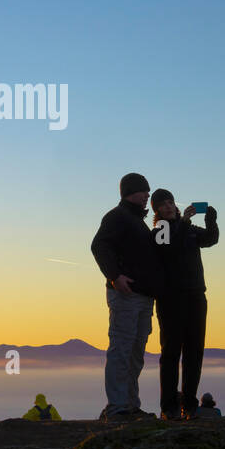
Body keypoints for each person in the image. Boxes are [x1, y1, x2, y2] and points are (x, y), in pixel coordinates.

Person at [91, 172, 165, 421]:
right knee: (122, 349)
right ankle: (117, 407)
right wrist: (115, 276)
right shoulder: (117, 216)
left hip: (142, 297)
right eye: (145, 191)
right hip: (126, 295)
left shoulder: (136, 221)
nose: (148, 196)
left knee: (135, 354)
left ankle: (130, 404)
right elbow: (99, 245)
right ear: (132, 191)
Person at [150, 190, 219, 420]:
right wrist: (184, 221)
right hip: (170, 299)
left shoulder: (187, 228)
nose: (168, 207)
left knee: (194, 352)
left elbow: (210, 239)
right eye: (162, 204)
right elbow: (167, 249)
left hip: (196, 296)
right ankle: (168, 407)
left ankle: (189, 405)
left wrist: (211, 219)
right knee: (170, 352)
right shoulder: (161, 230)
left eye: (170, 202)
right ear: (156, 210)